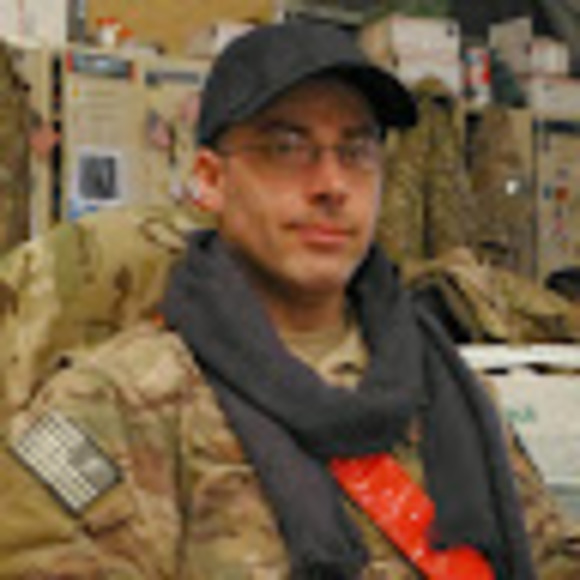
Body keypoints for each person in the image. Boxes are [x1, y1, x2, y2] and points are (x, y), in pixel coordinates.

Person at [0, 21, 578, 579]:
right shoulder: (121, 407)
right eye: (286, 147)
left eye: (356, 151)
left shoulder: (450, 389)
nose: (332, 185)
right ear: (211, 180)